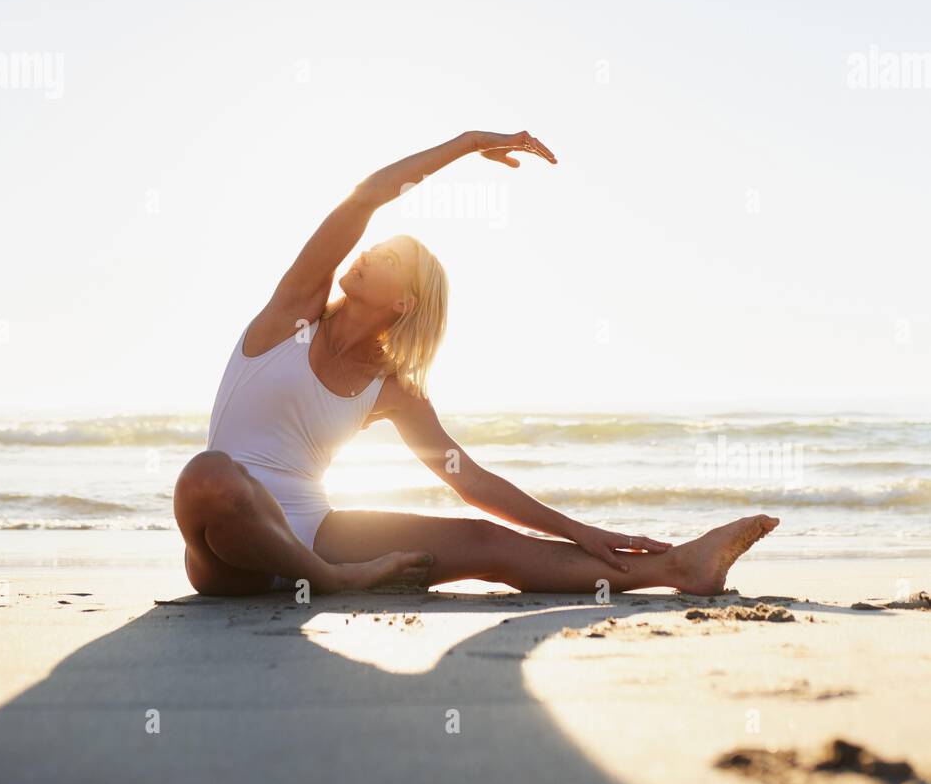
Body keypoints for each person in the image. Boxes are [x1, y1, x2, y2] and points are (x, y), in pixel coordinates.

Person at [174, 129, 778, 597]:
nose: (368, 252)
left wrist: (577, 530)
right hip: (233, 554)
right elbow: (367, 197)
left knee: (485, 542)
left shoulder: (392, 388)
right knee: (210, 476)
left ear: (405, 302)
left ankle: (682, 567)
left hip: (319, 531)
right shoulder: (292, 315)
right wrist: (466, 145)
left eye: (388, 259)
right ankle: (332, 582)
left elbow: (471, 480)